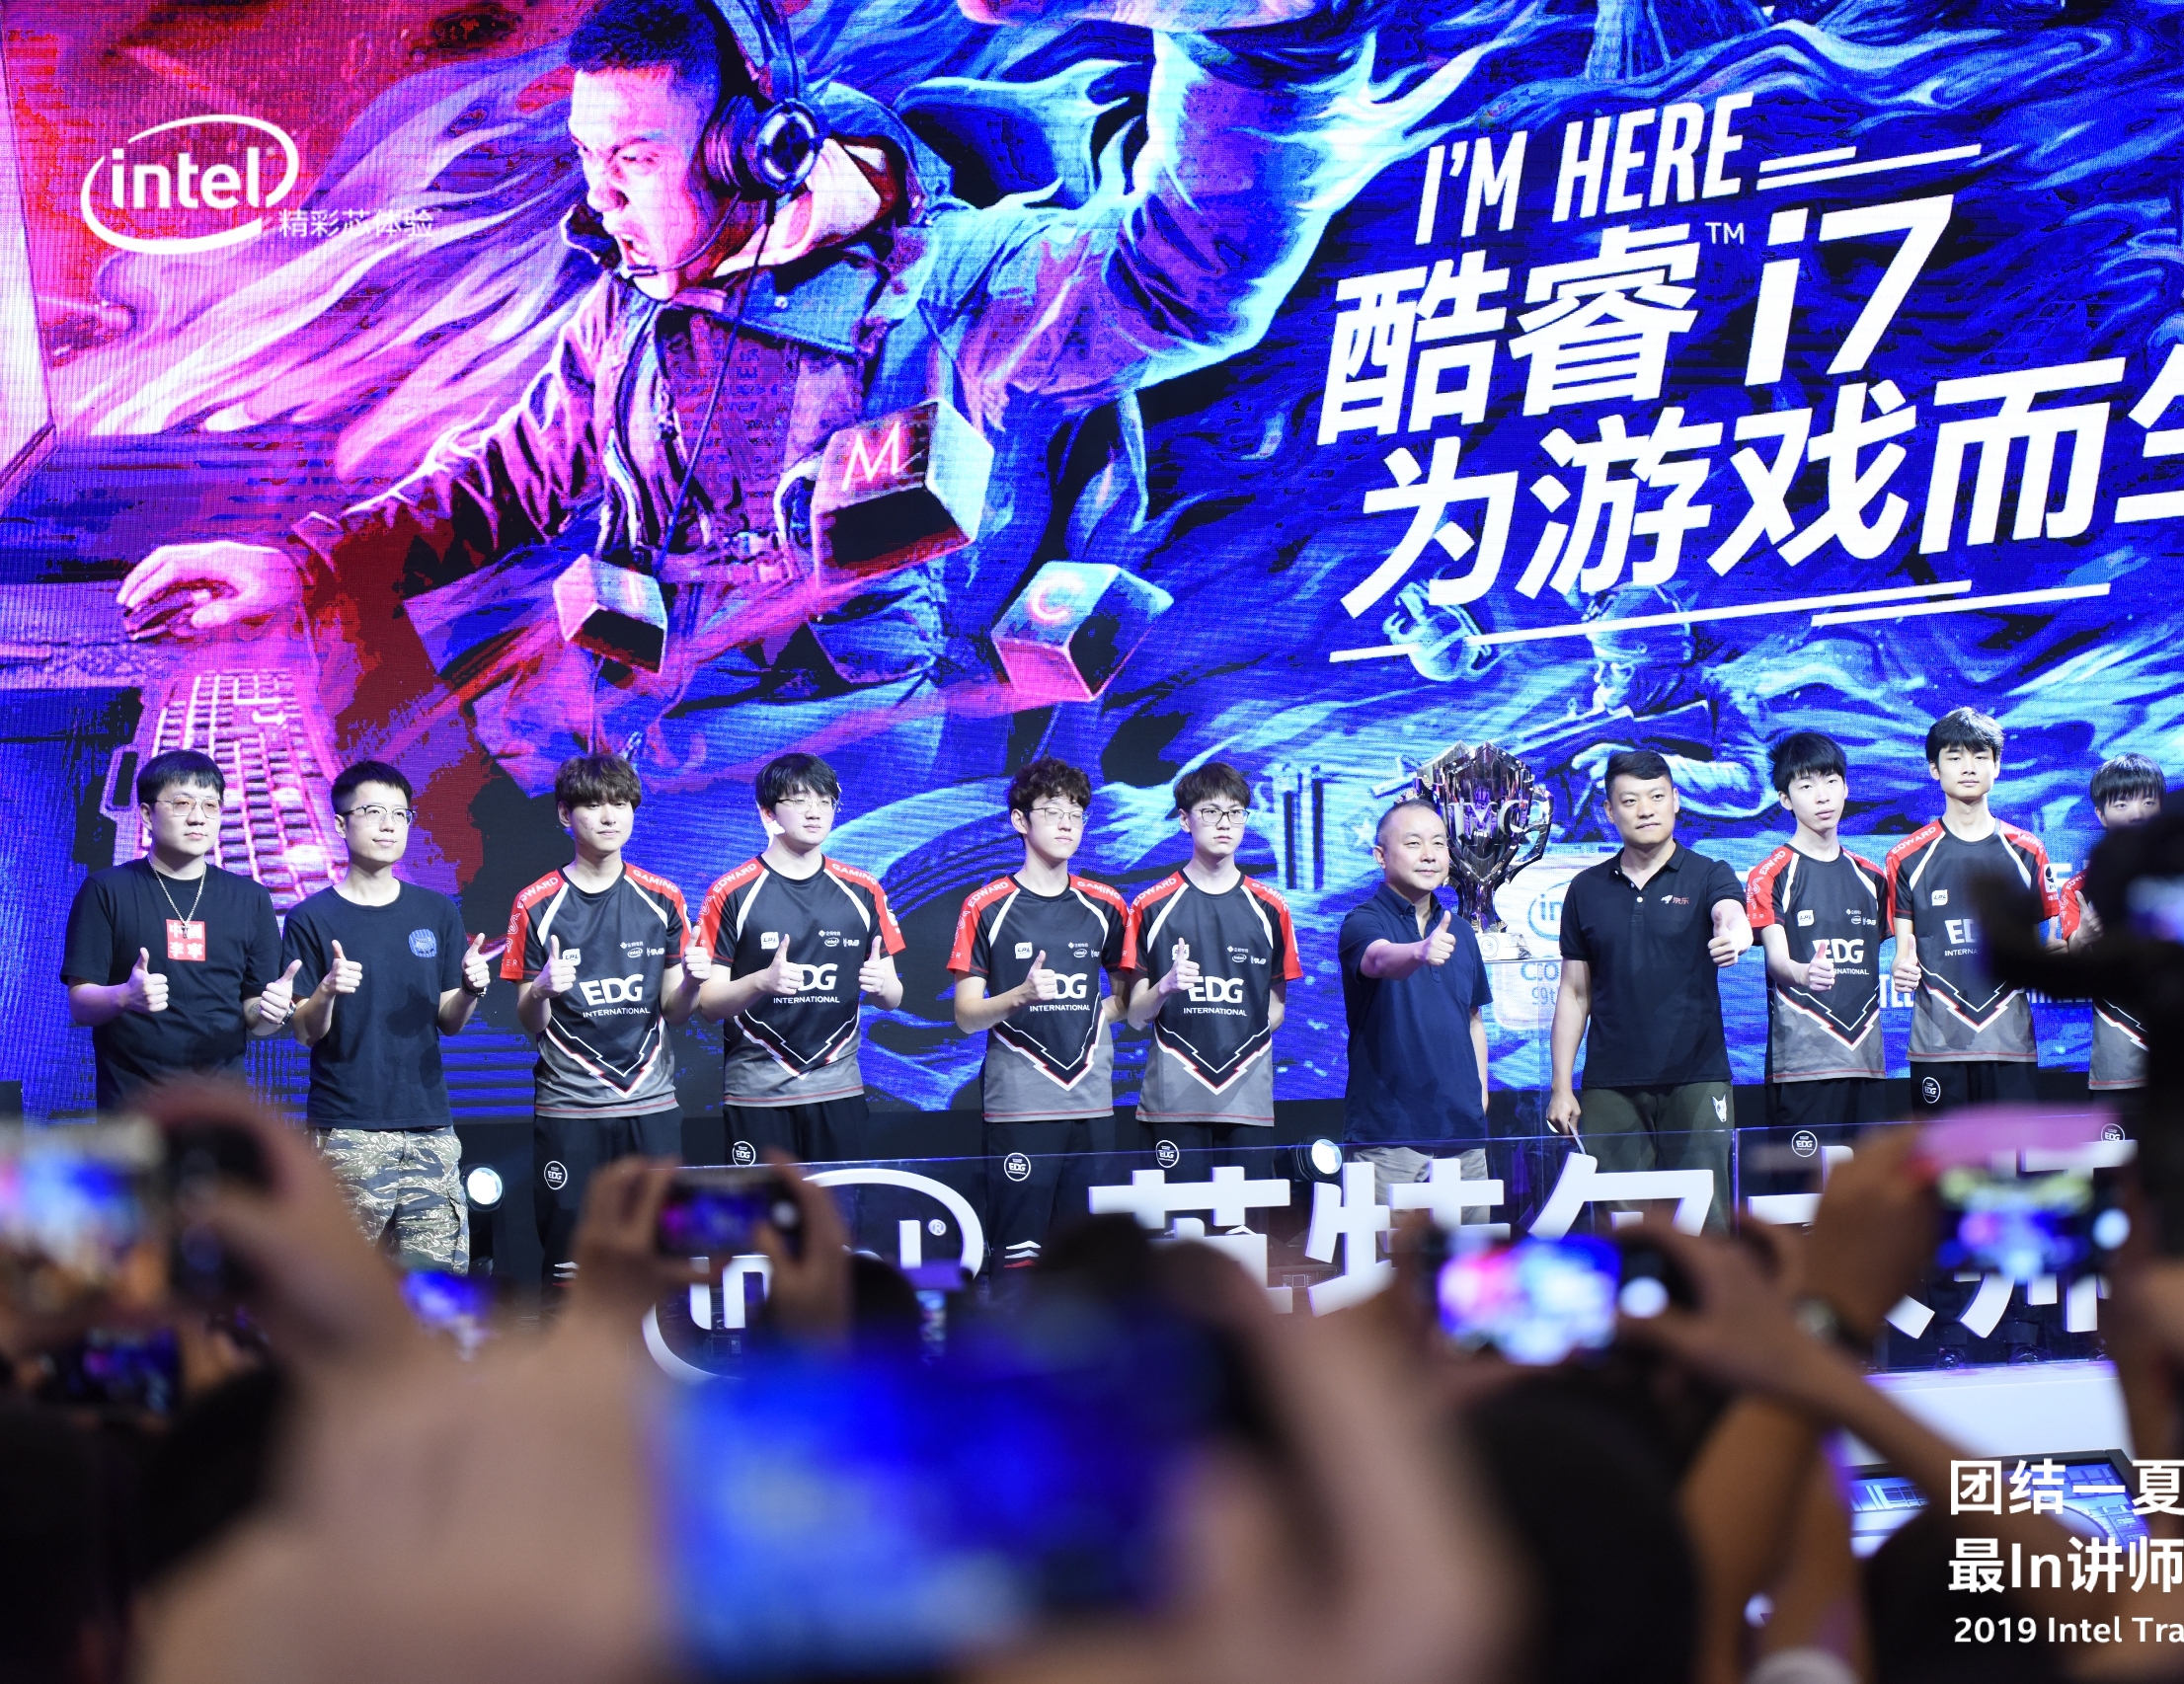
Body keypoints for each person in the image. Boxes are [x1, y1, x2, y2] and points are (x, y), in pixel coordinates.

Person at [113, 0, 1445, 797]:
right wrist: (306, 565)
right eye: (589, 158)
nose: (600, 201)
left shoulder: (947, 287)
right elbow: (506, 476)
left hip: (834, 771)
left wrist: (1276, 43)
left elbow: (1182, 276)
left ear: (758, 150)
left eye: (635, 160)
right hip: (625, 741)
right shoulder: (634, 306)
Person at [281, 761, 498, 1270]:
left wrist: (471, 990)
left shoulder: (436, 912)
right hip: (346, 1129)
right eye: (374, 812)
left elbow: (449, 1020)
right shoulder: (311, 917)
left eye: (400, 814)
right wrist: (327, 991)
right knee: (340, 1286)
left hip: (429, 1128)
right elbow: (305, 1031)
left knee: (436, 1288)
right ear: (340, 823)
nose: (388, 825)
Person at [500, 751, 704, 1276]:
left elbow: (675, 1010)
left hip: (650, 1105)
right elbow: (530, 1019)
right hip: (570, 1108)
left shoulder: (663, 897)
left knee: (662, 1255)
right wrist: (541, 990)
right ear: (564, 815)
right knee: (570, 1262)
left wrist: (694, 982)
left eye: (620, 803)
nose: (610, 816)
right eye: (593, 805)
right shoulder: (535, 903)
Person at [947, 758, 1131, 1273]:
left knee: (1089, 1259)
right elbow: (966, 1016)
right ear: (1020, 821)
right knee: (1020, 1258)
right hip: (1020, 1104)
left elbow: (1123, 1001)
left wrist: (1105, 1011)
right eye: (1052, 811)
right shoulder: (986, 905)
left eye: (1077, 812)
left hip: (1091, 1101)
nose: (1067, 823)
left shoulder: (1106, 905)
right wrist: (1019, 997)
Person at [1544, 749, 1754, 1191]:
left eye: (1657, 796)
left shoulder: (1708, 873)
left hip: (1696, 1077)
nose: (1645, 810)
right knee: (1621, 1217)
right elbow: (1575, 994)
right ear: (1609, 810)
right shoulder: (1585, 889)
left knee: (1705, 1214)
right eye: (1630, 800)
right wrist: (1561, 1085)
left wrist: (1735, 936)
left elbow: (1731, 915)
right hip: (1609, 1084)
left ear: (1675, 800)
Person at [694, 753, 905, 1166]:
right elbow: (708, 1005)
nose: (815, 812)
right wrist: (761, 982)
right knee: (762, 1208)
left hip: (838, 1090)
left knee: (840, 1205)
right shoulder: (731, 892)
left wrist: (882, 987)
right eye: (799, 800)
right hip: (758, 1093)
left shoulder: (863, 890)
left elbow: (893, 997)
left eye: (825, 801)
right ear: (768, 812)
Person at [62, 748, 296, 1111]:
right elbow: (80, 1004)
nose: (198, 818)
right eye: (182, 803)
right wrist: (124, 996)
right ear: (146, 814)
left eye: (210, 805)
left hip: (222, 1111)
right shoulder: (106, 890)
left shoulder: (251, 898)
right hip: (132, 1110)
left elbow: (254, 1018)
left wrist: (271, 1013)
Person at [1123, 762, 1301, 1177]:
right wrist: (1165, 986)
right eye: (1210, 811)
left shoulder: (1271, 907)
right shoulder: (1150, 905)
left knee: (1248, 1216)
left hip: (1247, 1100)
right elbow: (1134, 1017)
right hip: (1173, 1101)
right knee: (1178, 1215)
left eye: (1236, 812)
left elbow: (1276, 1008)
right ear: (1184, 820)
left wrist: (1237, 1042)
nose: (1225, 823)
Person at [1886, 709, 2058, 1112]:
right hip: (1938, 1044)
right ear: (1934, 769)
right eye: (1955, 757)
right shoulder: (1906, 856)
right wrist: (1901, 968)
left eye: (1980, 756)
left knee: (2015, 1152)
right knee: (1942, 1154)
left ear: (1997, 766)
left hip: (2009, 1041)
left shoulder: (2028, 851)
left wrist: (2078, 945)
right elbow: (1903, 953)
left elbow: (2050, 945)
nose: (1968, 767)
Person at [1341, 799, 1495, 1201]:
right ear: (1381, 855)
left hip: (1462, 1134)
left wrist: (1480, 1092)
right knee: (1386, 1244)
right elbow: (1377, 959)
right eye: (1413, 843)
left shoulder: (1460, 929)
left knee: (1471, 1243)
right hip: (1390, 1134)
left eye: (1439, 843)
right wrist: (1419, 951)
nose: (1429, 855)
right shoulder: (1363, 920)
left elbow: (1473, 1019)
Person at [1745, 732, 1890, 1128]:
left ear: (1846, 788)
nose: (1822, 796)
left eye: (1831, 781)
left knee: (1871, 1171)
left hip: (1867, 1062)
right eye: (1806, 786)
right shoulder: (1770, 874)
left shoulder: (1873, 878)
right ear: (1785, 799)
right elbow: (1777, 961)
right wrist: (1802, 972)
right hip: (1802, 1065)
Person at [2060, 753, 2184, 1094]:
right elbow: (2071, 962)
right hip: (2117, 1044)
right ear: (2101, 814)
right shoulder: (2080, 888)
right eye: (2122, 804)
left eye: (2148, 802)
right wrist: (2084, 936)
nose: (2137, 814)